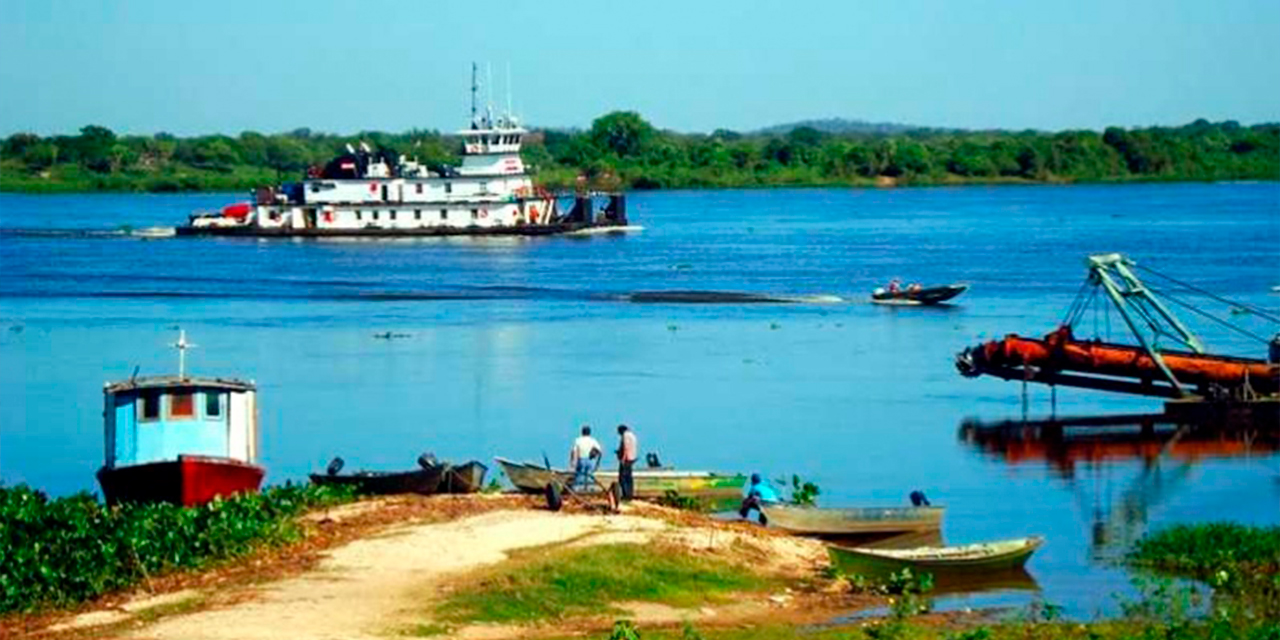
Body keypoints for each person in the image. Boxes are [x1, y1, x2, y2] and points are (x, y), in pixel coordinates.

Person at [568, 425, 603, 490]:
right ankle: (590, 490)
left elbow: (574, 451)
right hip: (591, 460)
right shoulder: (593, 440)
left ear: (582, 432)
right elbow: (600, 451)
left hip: (581, 459)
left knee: (579, 475)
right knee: (590, 476)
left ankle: (578, 490)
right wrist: (598, 462)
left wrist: (572, 462)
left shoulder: (578, 440)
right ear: (589, 432)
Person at [615, 424, 638, 501]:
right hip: (632, 458)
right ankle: (629, 494)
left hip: (626, 459)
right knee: (629, 478)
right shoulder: (632, 435)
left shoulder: (625, 435)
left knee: (623, 478)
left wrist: (623, 458)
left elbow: (626, 447)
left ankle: (626, 495)